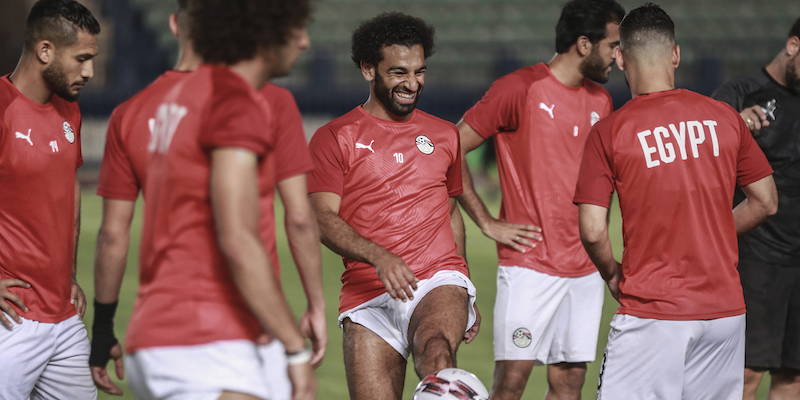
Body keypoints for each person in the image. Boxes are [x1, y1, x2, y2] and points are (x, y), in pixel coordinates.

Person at [89, 0, 326, 396]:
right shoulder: (237, 101)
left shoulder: (159, 102)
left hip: (157, 335)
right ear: (264, 34)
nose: (304, 42)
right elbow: (238, 237)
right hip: (210, 340)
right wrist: (295, 349)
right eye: (296, 29)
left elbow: (114, 234)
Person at [574, 4, 778, 399]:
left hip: (654, 312)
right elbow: (766, 201)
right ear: (676, 54)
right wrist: (712, 233)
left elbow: (593, 228)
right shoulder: (724, 117)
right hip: (725, 314)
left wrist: (611, 272)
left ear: (619, 58)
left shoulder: (610, 132)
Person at [455, 0, 624, 398]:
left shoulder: (603, 101)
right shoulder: (520, 88)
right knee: (511, 384)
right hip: (529, 265)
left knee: (569, 383)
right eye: (612, 45)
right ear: (584, 43)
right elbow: (451, 147)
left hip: (585, 269)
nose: (619, 56)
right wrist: (485, 220)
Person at [307, 12, 479, 400]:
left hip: (435, 278)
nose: (412, 83)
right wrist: (379, 257)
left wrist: (463, 287)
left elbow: (450, 210)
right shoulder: (335, 138)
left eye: (419, 71)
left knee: (436, 352)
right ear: (369, 69)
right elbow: (320, 217)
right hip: (367, 294)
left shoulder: (444, 134)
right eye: (399, 72)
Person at [0, 0, 100, 398]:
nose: (89, 72)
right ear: (45, 51)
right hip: (11, 321)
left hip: (64, 317)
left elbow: (67, 189)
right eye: (82, 59)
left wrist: (71, 274)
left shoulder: (68, 110)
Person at [712, 16, 800, 400]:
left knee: (794, 377)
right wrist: (732, 127)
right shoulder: (739, 94)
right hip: (756, 257)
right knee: (745, 373)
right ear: (794, 46)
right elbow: (701, 157)